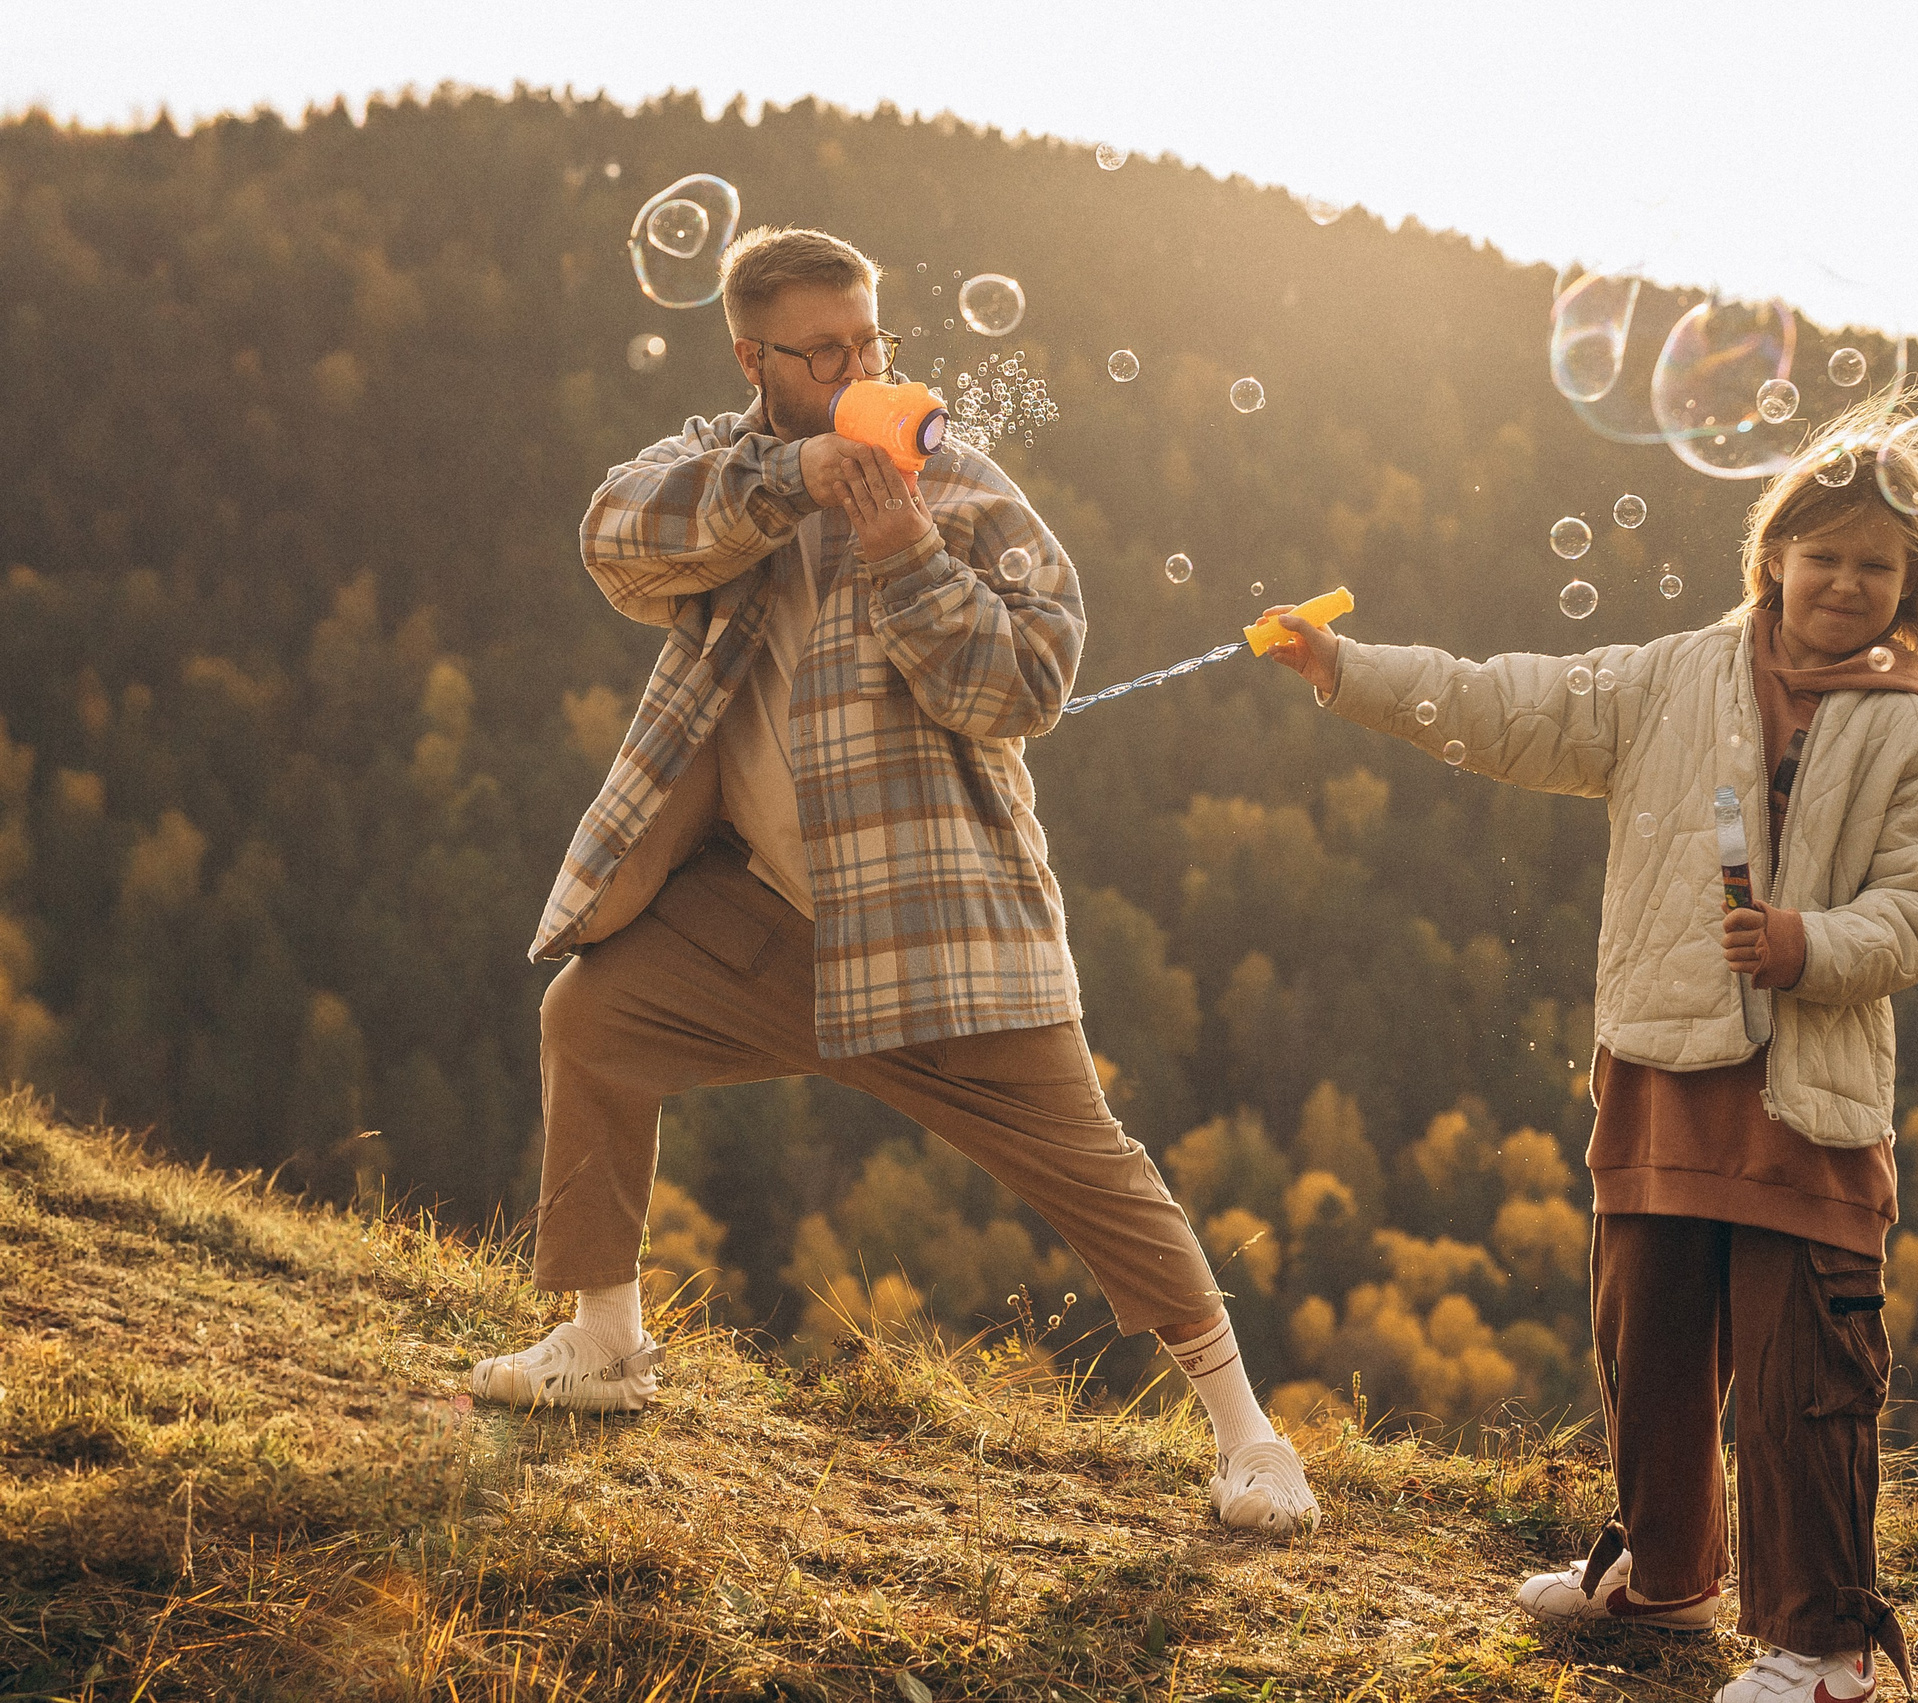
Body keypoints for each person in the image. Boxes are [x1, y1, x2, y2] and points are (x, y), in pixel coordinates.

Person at [468, 225, 1317, 1538]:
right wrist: (795, 481)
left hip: (941, 936)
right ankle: (603, 1346)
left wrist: (909, 556)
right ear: (756, 359)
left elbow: (1028, 684)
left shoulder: (960, 487)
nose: (862, 365)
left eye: (874, 340)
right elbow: (616, 542)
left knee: (1096, 1171)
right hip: (767, 920)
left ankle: (1252, 1442)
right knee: (594, 1019)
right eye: (828, 350)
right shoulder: (725, 471)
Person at [1259, 392, 1918, 1700]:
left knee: (1802, 1383)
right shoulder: (1672, 675)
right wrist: (1349, 671)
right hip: (1661, 1072)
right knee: (1645, 1348)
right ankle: (1665, 1584)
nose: (1842, 584)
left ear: (1912, 586)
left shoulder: (1911, 734)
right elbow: (1512, 708)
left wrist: (1808, 945)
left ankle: (1821, 1651)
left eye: (1874, 565)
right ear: (1771, 556)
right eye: (1820, 554)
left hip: (1803, 1103)